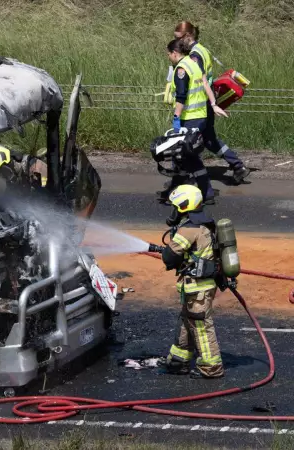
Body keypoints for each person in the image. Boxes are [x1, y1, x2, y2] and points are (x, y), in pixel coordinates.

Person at [160, 184, 224, 379]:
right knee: (188, 321)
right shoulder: (205, 223)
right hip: (198, 286)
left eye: (176, 206)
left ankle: (211, 367)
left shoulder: (189, 229)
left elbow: (169, 258)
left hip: (198, 288)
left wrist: (170, 246)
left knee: (202, 326)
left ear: (184, 205)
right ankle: (179, 360)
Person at [174, 21, 251, 184]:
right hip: (207, 102)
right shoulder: (203, 49)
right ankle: (238, 166)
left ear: (187, 36)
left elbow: (200, 80)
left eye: (178, 38)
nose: (177, 42)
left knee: (185, 141)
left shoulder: (194, 55)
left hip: (199, 105)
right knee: (209, 139)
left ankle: (183, 178)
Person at [159, 39, 228, 205]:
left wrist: (176, 118)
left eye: (169, 54)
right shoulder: (194, 62)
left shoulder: (182, 69)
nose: (168, 57)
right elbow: (205, 83)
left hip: (190, 119)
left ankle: (206, 192)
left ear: (175, 53)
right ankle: (176, 189)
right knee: (182, 154)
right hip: (201, 115)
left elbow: (181, 96)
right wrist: (213, 104)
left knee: (188, 156)